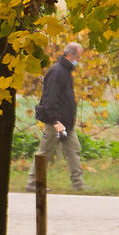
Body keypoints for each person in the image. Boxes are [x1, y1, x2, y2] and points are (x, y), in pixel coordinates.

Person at [35, 41, 86, 192]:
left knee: (74, 151)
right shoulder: (57, 72)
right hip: (55, 122)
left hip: (67, 123)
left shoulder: (66, 71)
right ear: (69, 55)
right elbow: (50, 98)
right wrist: (55, 121)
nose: (79, 60)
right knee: (45, 153)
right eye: (78, 56)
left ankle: (78, 185)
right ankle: (34, 183)